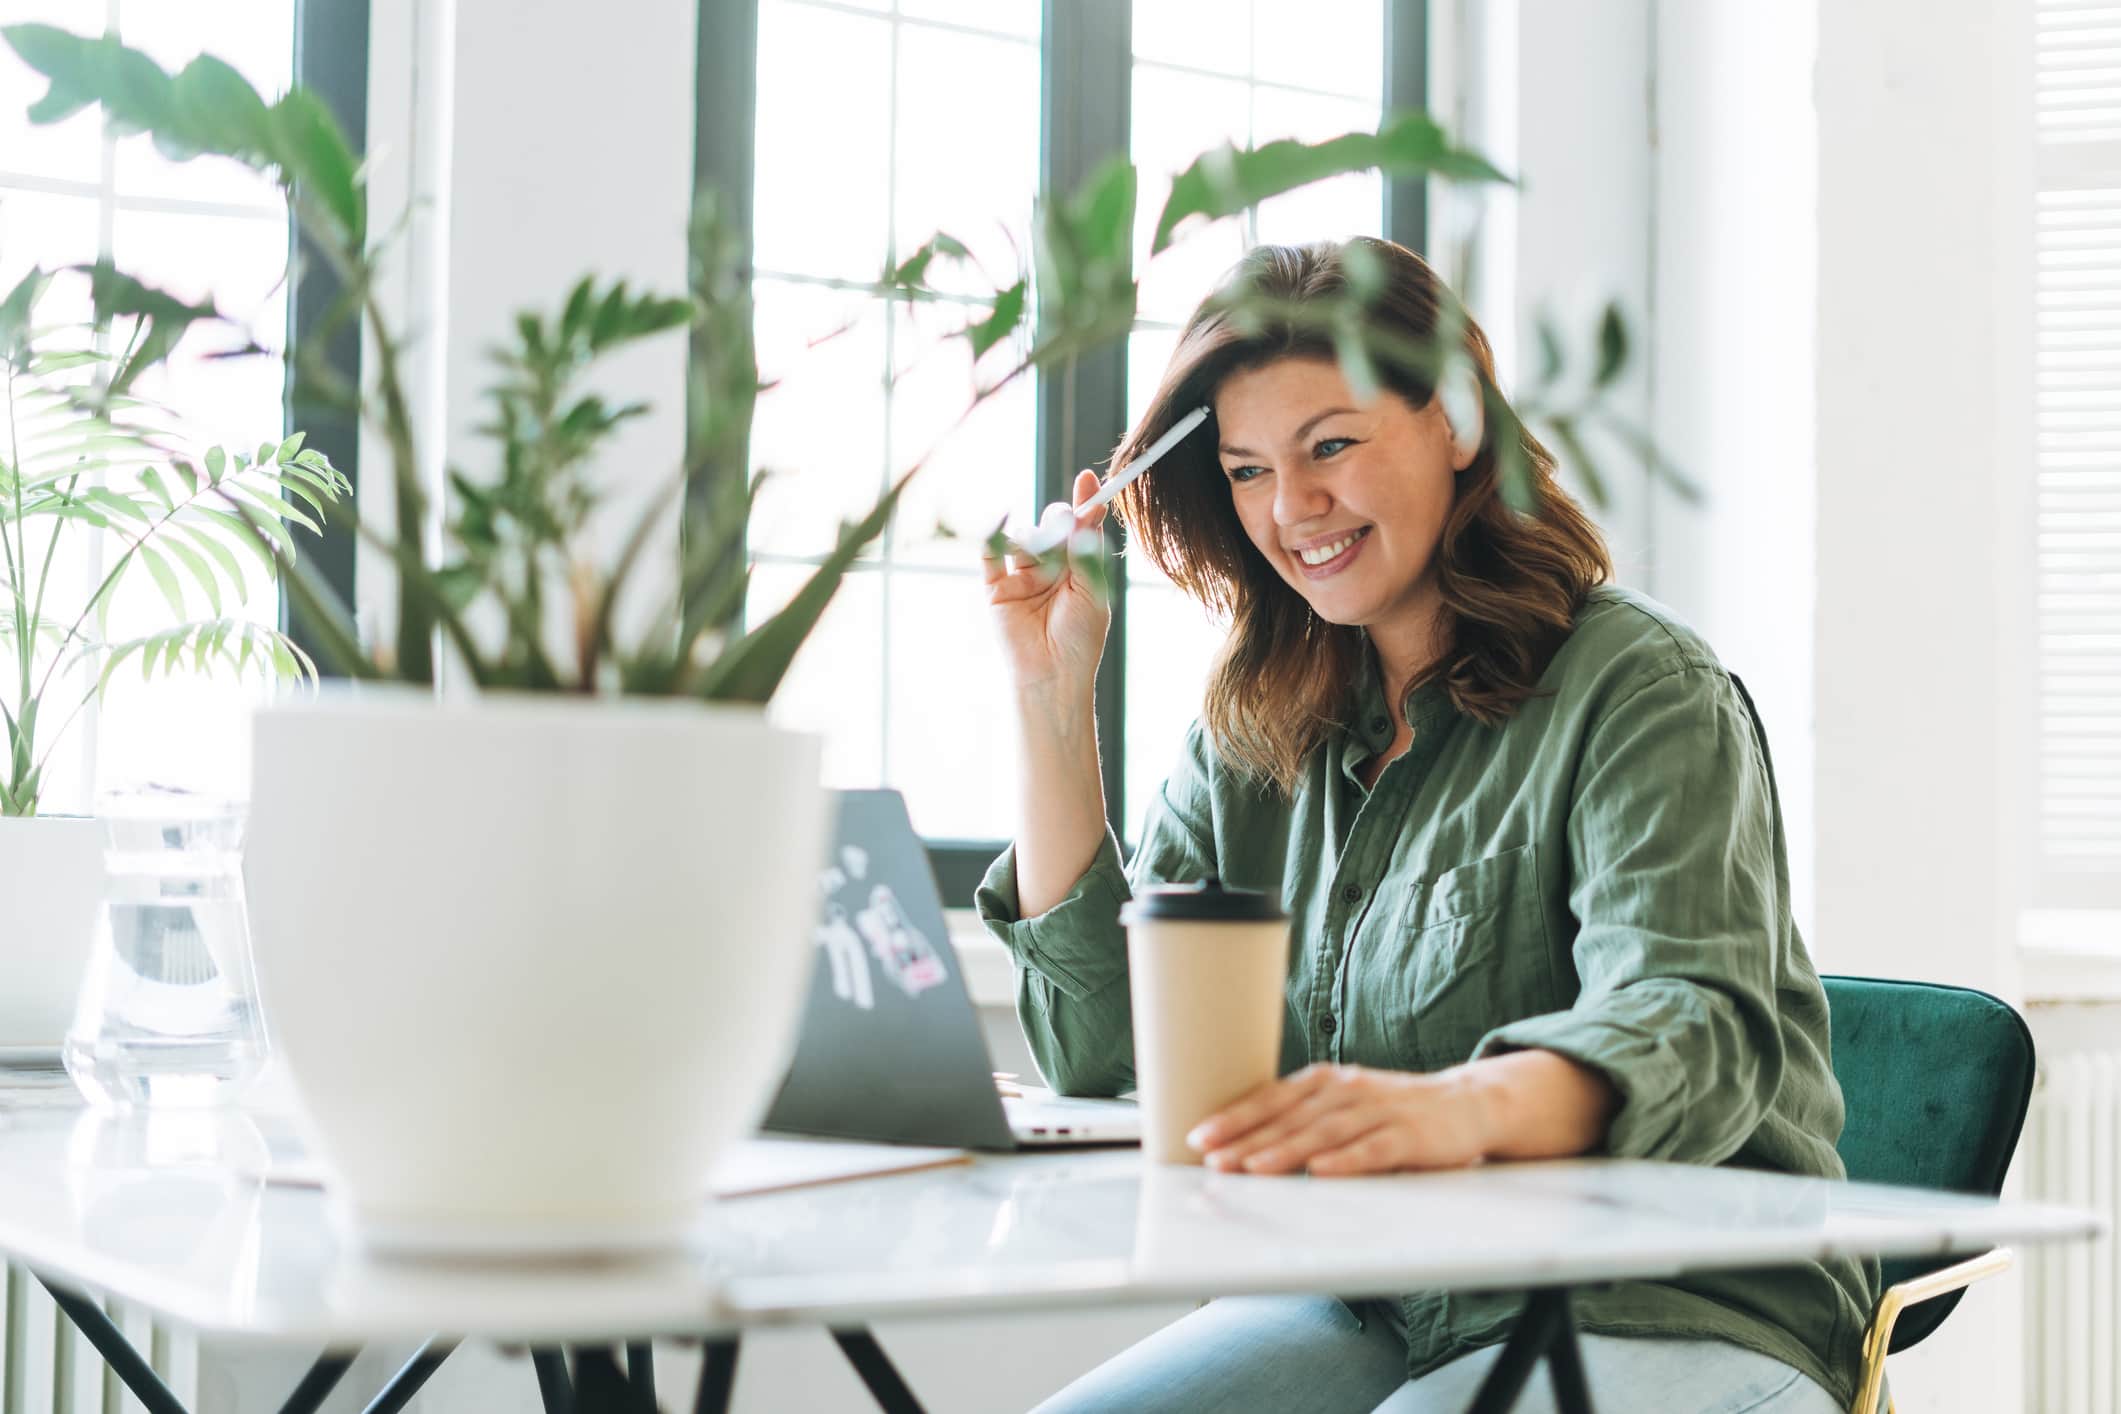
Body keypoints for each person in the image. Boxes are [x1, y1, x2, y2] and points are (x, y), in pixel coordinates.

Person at [975, 237, 1875, 1414]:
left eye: (1330, 446)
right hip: (1379, 1297)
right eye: (1246, 470)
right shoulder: (1258, 722)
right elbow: (1111, 1054)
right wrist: (1052, 697)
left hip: (1670, 1296)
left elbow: (1695, 1032)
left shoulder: (1642, 689)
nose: (1292, 509)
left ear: (1454, 421)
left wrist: (1449, 1108)